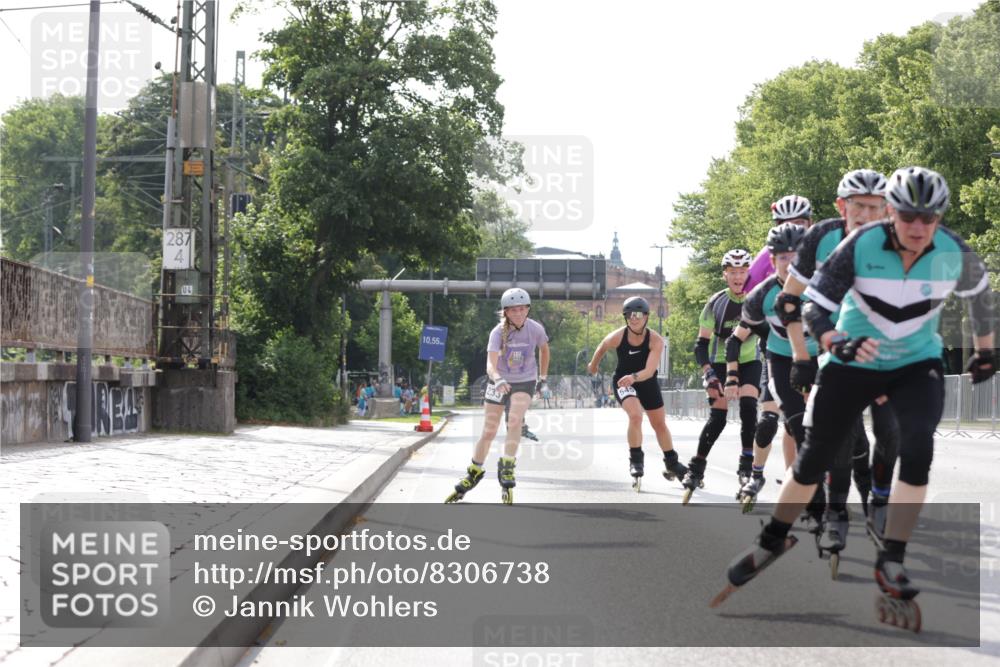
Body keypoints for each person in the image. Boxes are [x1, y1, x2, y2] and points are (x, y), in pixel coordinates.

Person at [717, 167, 995, 626]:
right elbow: (812, 305)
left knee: (918, 445)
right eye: (908, 216)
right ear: (893, 212)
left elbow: (981, 299)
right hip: (851, 357)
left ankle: (893, 559)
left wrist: (987, 353)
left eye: (930, 218)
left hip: (914, 362)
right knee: (815, 456)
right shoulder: (859, 246)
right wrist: (829, 343)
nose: (919, 228)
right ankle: (772, 538)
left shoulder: (953, 250)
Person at [780, 168, 901, 546]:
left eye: (874, 207)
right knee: (840, 432)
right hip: (828, 345)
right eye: (856, 207)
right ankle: (836, 516)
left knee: (886, 432)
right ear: (840, 206)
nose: (864, 216)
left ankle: (876, 498)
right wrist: (801, 356)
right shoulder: (820, 237)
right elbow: (789, 300)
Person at [724, 223, 815, 514]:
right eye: (783, 258)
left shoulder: (823, 287)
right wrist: (731, 376)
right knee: (769, 424)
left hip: (816, 358)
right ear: (773, 261)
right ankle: (756, 473)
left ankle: (813, 482)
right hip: (778, 359)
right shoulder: (761, 297)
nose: (790, 264)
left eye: (796, 257)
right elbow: (734, 340)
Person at [445, 288, 550, 504]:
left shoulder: (535, 328)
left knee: (514, 421)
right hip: (498, 381)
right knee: (490, 430)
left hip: (525, 380)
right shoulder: (497, 333)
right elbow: (490, 365)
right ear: (506, 312)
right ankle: (474, 471)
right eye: (513, 310)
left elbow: (545, 349)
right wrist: (499, 379)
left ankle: (508, 465)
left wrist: (544, 377)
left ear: (528, 309)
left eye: (522, 309)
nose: (518, 314)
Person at [587, 296, 688, 491]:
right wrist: (593, 365)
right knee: (635, 416)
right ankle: (636, 460)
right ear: (625, 317)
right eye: (630, 315)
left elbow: (649, 371)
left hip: (645, 380)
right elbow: (602, 347)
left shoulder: (656, 340)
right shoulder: (617, 336)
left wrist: (634, 376)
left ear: (646, 317)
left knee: (659, 423)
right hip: (623, 381)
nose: (634, 319)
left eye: (638, 315)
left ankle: (672, 462)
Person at [685, 249, 761, 503]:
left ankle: (746, 464)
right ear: (725, 275)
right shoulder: (716, 302)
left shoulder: (758, 297)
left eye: (743, 272)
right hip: (718, 362)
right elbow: (700, 344)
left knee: (750, 406)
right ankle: (697, 467)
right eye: (733, 272)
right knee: (718, 417)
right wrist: (707, 373)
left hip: (749, 360)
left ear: (749, 272)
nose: (738, 277)